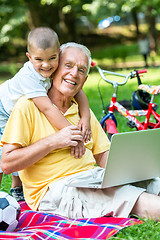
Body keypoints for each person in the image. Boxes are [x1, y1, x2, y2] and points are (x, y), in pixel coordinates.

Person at [2, 42, 160, 221]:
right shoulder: (27, 106)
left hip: (92, 178)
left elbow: (102, 156)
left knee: (155, 182)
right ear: (53, 69)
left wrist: (131, 170)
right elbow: (7, 164)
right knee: (134, 198)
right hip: (55, 190)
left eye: (81, 70)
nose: (74, 74)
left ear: (84, 80)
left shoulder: (82, 112)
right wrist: (54, 141)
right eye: (68, 66)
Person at [0, 28, 91, 201]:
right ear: (29, 57)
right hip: (3, 110)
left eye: (52, 58)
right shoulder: (30, 77)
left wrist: (85, 117)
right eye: (39, 60)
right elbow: (48, 108)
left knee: (26, 142)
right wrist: (75, 135)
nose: (46, 65)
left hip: (16, 109)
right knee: (7, 151)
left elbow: (79, 92)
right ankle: (11, 191)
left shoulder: (53, 70)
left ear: (59, 54)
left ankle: (17, 188)